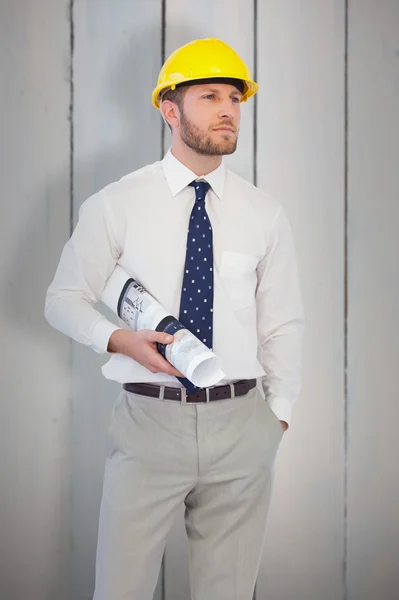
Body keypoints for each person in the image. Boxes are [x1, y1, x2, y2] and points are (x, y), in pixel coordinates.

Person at [45, 37, 305, 600]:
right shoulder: (117, 204)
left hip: (242, 425)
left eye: (235, 98)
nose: (227, 110)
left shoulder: (265, 214)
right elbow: (62, 298)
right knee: (121, 590)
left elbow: (282, 323)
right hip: (148, 422)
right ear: (170, 109)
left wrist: (276, 417)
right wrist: (117, 339)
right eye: (210, 95)